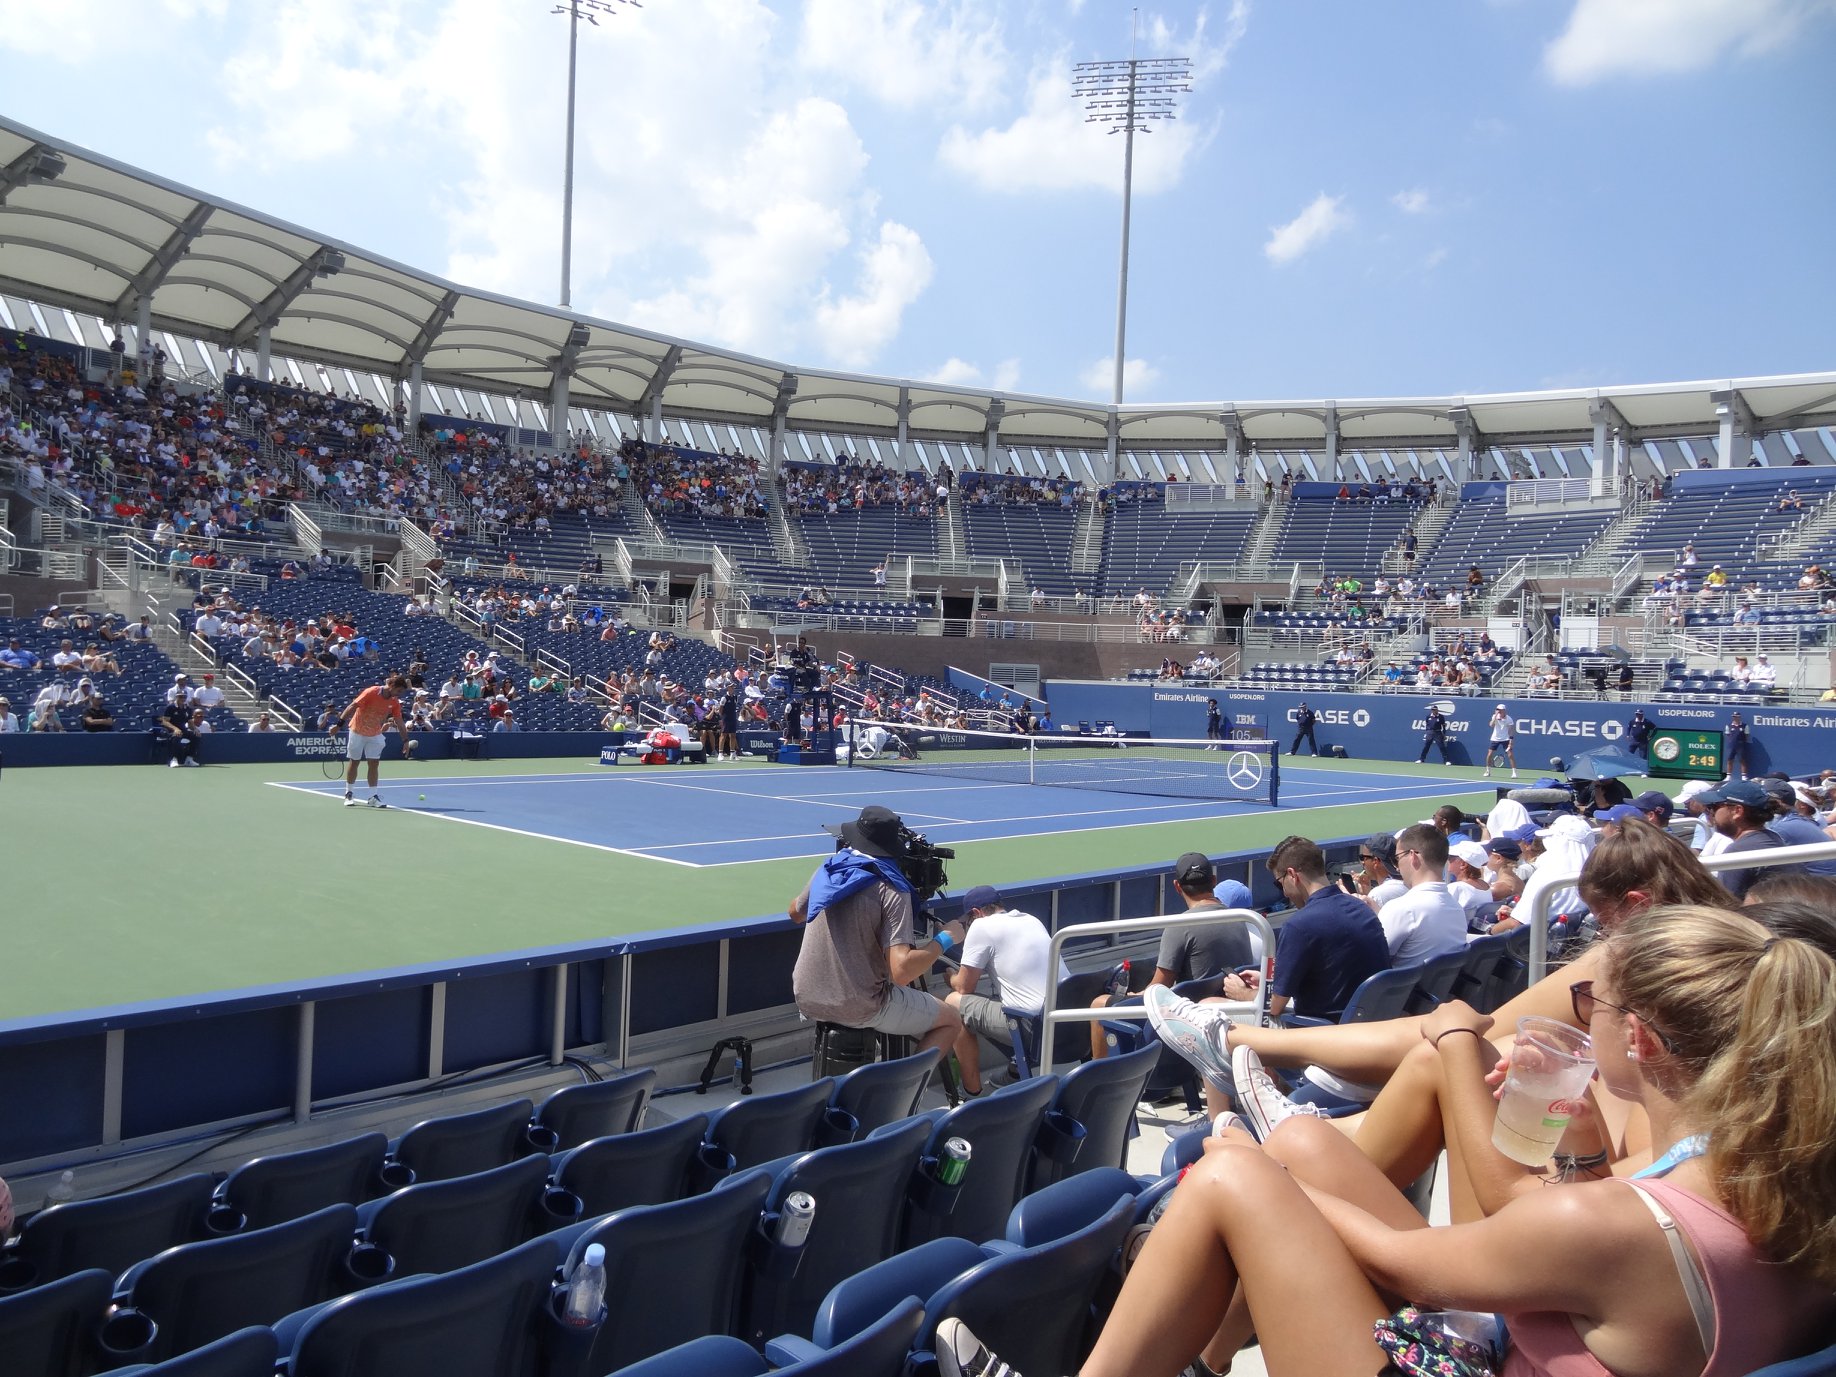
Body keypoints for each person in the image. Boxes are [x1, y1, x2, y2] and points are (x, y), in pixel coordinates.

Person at [945, 900, 1836, 1377]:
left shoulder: (1622, 1223)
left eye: (1590, 1004)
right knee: (1301, 1148)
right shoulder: (1771, 1174)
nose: (1580, 1013)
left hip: (1477, 1356)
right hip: (1522, 1336)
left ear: (1638, 1040)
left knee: (1231, 1179)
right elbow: (1571, 1251)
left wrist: (1245, 1154)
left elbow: (1413, 1266)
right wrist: (1583, 1153)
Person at [789, 805, 964, 1060]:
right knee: (951, 1020)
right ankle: (901, 1094)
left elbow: (795, 913)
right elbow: (902, 972)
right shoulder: (893, 890)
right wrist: (946, 938)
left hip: (806, 995)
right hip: (859, 1007)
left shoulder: (830, 869)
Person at [1088, 853, 1259, 1063]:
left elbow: (1158, 989)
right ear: (1213, 881)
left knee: (1099, 1004)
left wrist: (1135, 994)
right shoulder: (1239, 919)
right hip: (1223, 1015)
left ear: (1177, 886)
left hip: (1189, 1021)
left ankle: (1102, 1086)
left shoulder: (1179, 926)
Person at [943, 885, 1068, 1096]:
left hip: (1036, 1029)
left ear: (976, 913)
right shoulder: (1031, 919)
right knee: (1007, 995)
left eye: (968, 921)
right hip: (1068, 1024)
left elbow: (964, 986)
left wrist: (950, 976)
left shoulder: (980, 926)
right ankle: (1016, 1071)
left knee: (953, 1002)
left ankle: (970, 1092)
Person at [1374, 823, 1468, 966]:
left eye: (1397, 859)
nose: (1396, 867)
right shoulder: (1457, 908)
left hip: (1404, 987)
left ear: (1412, 856)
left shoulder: (1401, 909)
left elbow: (1372, 958)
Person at [1697, 779, 1794, 897]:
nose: (1710, 812)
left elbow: (1728, 904)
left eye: (1713, 807)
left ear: (1737, 811)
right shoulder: (1772, 837)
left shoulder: (1739, 850)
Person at [336, 674, 409, 808]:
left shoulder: (394, 702)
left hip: (375, 733)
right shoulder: (371, 692)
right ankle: (349, 793)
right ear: (391, 686)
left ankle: (373, 797)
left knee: (374, 763)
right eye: (399, 691)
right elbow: (353, 706)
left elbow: (399, 721)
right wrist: (338, 724)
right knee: (354, 762)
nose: (399, 694)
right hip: (357, 730)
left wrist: (405, 740)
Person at [1482, 703, 1516, 778]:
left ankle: (1514, 772)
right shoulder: (1495, 716)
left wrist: (1511, 741)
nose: (1499, 711)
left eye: (1500, 710)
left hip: (1506, 739)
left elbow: (1511, 730)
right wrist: (1495, 717)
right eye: (1497, 710)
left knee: (1510, 755)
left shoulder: (1509, 719)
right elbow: (1491, 725)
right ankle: (1488, 771)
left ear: (1504, 710)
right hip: (1495, 738)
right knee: (1489, 754)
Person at [1724, 710, 1752, 779]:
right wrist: (1732, 742)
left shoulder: (1745, 726)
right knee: (1730, 760)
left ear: (1739, 717)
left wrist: (1742, 742)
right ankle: (1728, 776)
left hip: (1741, 745)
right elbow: (1728, 735)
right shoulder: (1729, 726)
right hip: (1732, 745)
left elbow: (1747, 735)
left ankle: (1743, 776)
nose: (1735, 718)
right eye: (1734, 717)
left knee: (1742, 760)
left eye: (1736, 717)